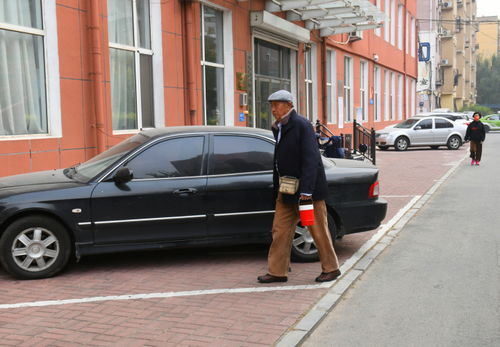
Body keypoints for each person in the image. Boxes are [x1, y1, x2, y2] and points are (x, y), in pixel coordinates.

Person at [257, 90, 341, 284]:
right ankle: (277, 271)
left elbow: (311, 161)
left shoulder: (302, 125)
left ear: (288, 105)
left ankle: (331, 268)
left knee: (317, 229)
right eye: (271, 105)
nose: (273, 109)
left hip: (306, 193)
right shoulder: (279, 126)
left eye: (276, 105)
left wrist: (306, 191)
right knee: (280, 231)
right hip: (286, 190)